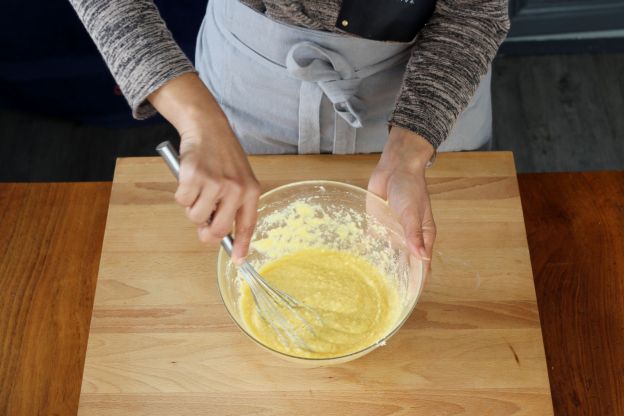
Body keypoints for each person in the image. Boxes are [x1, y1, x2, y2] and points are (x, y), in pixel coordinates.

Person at [70, 0, 510, 265]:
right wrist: (199, 122)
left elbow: (473, 11)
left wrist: (409, 154)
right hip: (248, 74)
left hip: (432, 83)